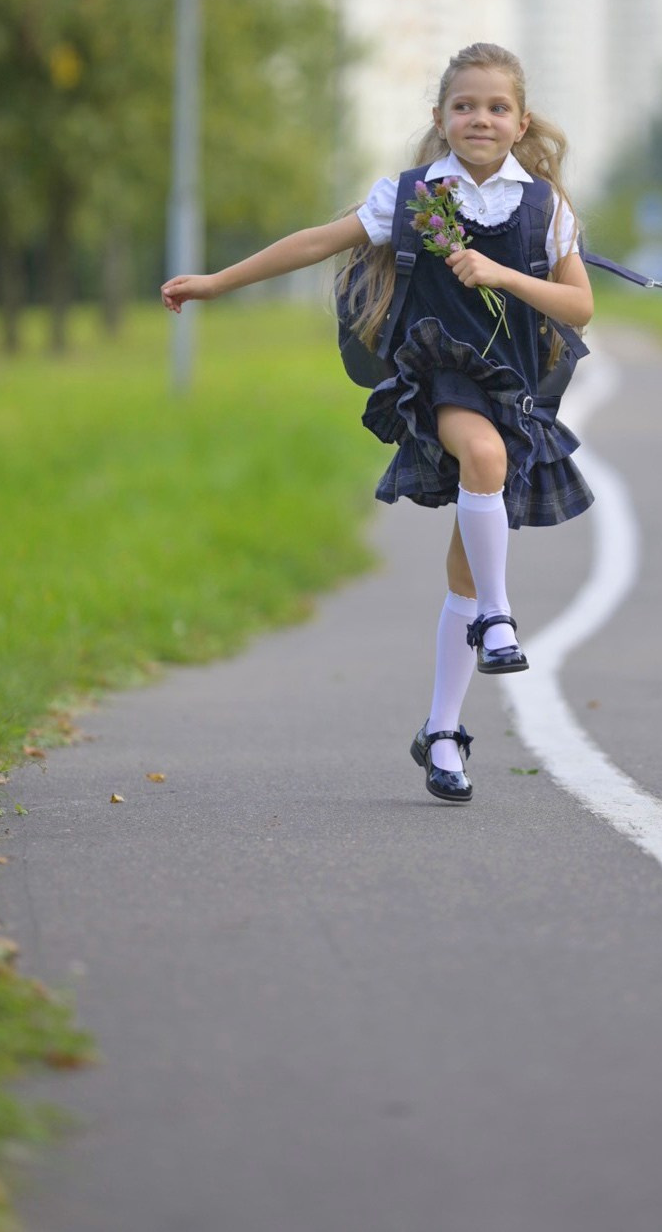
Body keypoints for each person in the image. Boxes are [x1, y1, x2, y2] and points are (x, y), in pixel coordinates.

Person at [161, 41, 594, 805]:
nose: (481, 118)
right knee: (483, 458)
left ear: (522, 121)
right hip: (439, 375)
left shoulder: (544, 207)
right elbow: (316, 241)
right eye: (464, 106)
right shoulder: (412, 196)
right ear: (440, 116)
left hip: (514, 389)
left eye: (497, 107)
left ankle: (442, 733)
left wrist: (499, 273)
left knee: (465, 569)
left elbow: (579, 306)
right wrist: (217, 283)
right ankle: (499, 619)